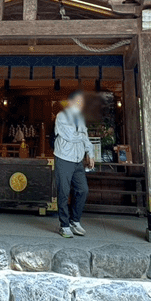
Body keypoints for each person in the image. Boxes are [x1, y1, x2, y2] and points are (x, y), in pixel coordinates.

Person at [53, 89, 95, 238]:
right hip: (64, 158)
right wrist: (83, 137)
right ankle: (64, 225)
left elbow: (85, 136)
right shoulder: (61, 116)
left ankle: (74, 221)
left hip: (78, 160)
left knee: (83, 190)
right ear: (70, 102)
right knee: (64, 192)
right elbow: (72, 136)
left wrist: (91, 153)